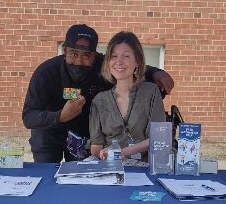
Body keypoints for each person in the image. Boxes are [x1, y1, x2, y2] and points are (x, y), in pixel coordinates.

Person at [22, 24, 174, 163]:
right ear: (64, 51)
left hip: (83, 133)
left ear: (95, 55)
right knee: (47, 177)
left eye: (86, 55)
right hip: (49, 134)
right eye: (73, 54)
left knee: (78, 181)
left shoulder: (103, 65)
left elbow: (126, 64)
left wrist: (156, 72)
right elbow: (28, 117)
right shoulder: (46, 73)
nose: (79, 61)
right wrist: (60, 116)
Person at [89, 31, 166, 162]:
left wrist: (123, 152)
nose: (119, 62)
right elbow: (96, 146)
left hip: (146, 169)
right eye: (113, 56)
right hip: (112, 170)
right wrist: (101, 153)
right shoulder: (99, 101)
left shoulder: (151, 92)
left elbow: (159, 137)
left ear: (137, 61)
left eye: (126, 56)